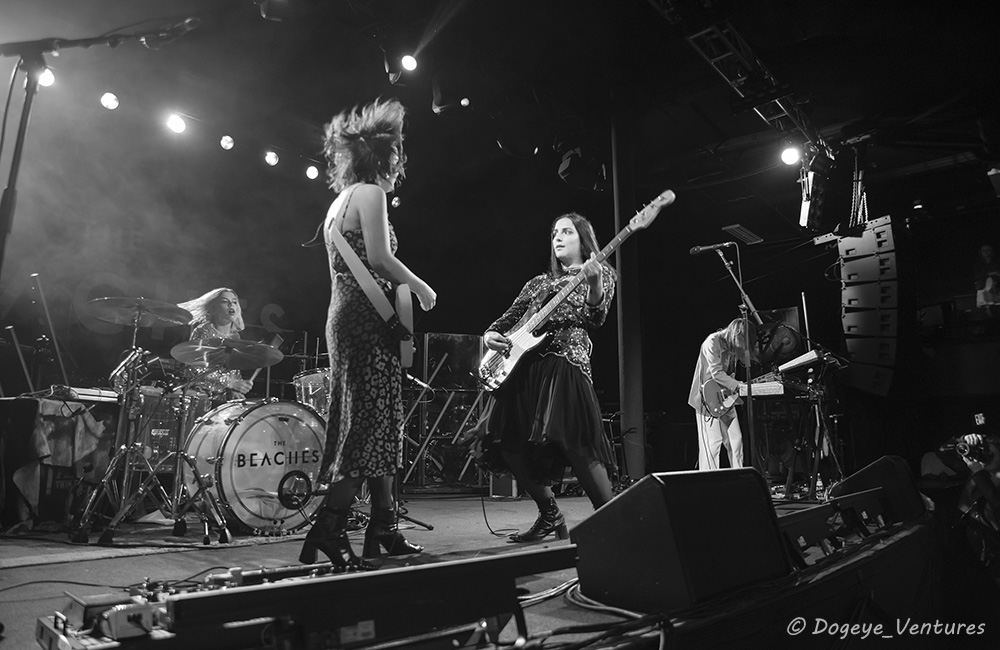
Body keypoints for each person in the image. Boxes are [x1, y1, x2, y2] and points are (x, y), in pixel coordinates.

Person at [299, 97, 436, 569]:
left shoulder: (339, 202)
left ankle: (384, 527)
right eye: (396, 155)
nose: (400, 165)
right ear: (381, 157)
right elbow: (378, 258)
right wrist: (420, 287)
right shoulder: (371, 195)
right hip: (366, 319)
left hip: (346, 315)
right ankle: (329, 528)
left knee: (378, 422)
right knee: (368, 427)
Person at [477, 212, 617, 543]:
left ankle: (614, 519)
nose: (557, 237)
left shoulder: (599, 274)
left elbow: (596, 318)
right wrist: (490, 335)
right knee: (505, 440)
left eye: (566, 232)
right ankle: (550, 514)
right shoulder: (537, 283)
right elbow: (507, 320)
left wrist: (594, 283)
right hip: (524, 367)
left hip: (565, 364)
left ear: (583, 240)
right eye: (555, 232)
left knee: (574, 441)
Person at [688, 318, 758, 471]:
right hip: (707, 399)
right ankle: (708, 483)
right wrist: (738, 385)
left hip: (726, 397)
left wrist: (737, 385)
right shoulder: (712, 342)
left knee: (736, 440)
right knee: (712, 444)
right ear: (736, 335)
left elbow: (728, 374)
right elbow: (716, 373)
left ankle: (738, 477)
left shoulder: (732, 349)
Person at [177, 287, 253, 404]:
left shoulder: (235, 336)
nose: (230, 305)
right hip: (201, 398)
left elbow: (234, 369)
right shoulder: (204, 330)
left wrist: (236, 390)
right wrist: (230, 383)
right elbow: (195, 368)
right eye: (224, 301)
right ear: (213, 308)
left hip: (223, 400)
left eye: (234, 302)